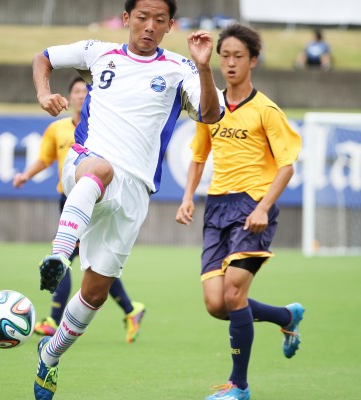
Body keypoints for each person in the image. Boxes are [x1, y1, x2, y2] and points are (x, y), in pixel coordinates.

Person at [30, 0, 224, 398]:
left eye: (159, 20)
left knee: (95, 293)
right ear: (126, 19)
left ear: (170, 25)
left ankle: (50, 355)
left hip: (136, 191)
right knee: (99, 171)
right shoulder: (98, 52)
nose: (149, 26)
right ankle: (59, 255)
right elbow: (43, 57)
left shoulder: (181, 68)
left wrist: (205, 67)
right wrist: (43, 93)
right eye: (142, 17)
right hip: (88, 161)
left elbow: (211, 114)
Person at [175, 24, 304, 400]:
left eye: (238, 56)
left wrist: (264, 207)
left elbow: (287, 166)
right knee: (217, 304)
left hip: (252, 207)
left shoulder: (267, 110)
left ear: (253, 61)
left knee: (234, 294)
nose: (230, 63)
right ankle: (285, 316)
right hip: (216, 206)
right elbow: (199, 156)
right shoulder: (211, 108)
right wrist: (187, 197)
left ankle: (239, 386)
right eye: (225, 56)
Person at [12, 76, 146, 343]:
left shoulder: (103, 128)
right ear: (69, 97)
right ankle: (131, 310)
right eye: (76, 91)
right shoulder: (57, 129)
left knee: (64, 259)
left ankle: (54, 319)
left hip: (96, 197)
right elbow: (45, 159)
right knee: (94, 263)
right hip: (68, 198)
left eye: (86, 91)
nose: (81, 95)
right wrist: (26, 175)